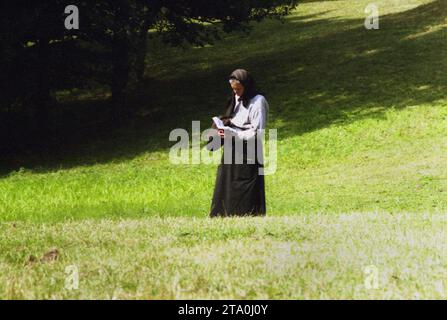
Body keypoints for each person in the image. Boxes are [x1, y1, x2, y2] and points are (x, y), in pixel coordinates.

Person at [207, 69, 269, 217]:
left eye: (239, 89)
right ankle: (224, 214)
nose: (237, 93)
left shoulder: (258, 101)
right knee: (227, 181)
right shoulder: (236, 98)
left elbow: (257, 131)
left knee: (245, 183)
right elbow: (233, 118)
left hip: (249, 150)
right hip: (232, 147)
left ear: (246, 86)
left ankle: (247, 214)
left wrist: (235, 134)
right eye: (234, 90)